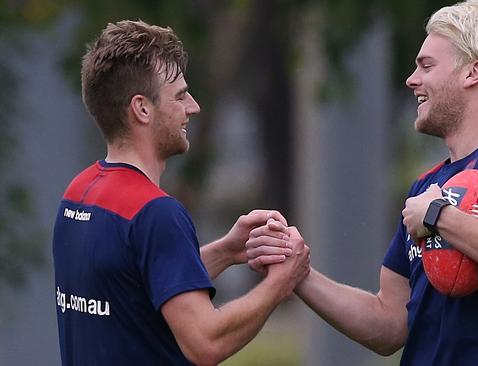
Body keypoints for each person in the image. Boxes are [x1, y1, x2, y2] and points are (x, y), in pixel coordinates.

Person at [246, 1, 478, 365]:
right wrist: (299, 273)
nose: (411, 79)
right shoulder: (425, 186)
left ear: (472, 73)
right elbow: (390, 322)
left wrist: (440, 216)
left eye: (426, 65)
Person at [52, 20, 310, 365]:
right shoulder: (156, 213)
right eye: (180, 95)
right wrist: (280, 284)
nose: (193, 107)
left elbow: (136, 285)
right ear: (141, 109)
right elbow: (206, 342)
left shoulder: (79, 192)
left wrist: (227, 250)